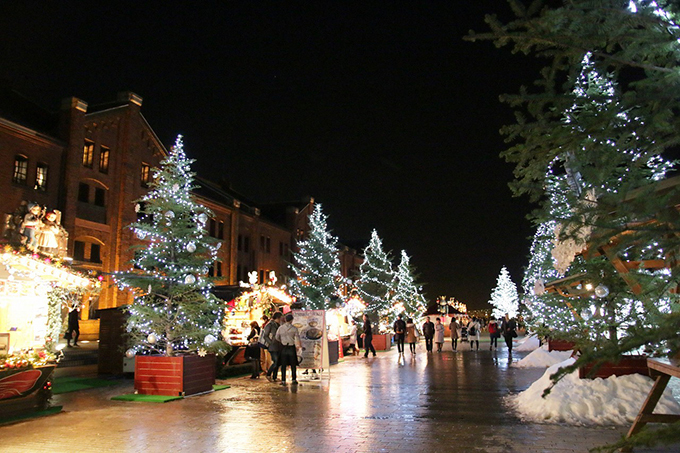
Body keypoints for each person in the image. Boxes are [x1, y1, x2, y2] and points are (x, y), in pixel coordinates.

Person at [274, 313, 301, 385]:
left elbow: (277, 337)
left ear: (285, 320)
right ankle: (294, 379)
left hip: (283, 347)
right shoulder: (294, 328)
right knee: (293, 364)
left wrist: (282, 341)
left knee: (283, 364)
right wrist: (298, 346)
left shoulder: (280, 328)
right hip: (291, 347)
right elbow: (297, 338)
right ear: (291, 320)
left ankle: (283, 380)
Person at [263, 312, 283, 381]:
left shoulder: (278, 325)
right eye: (280, 318)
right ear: (277, 318)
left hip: (278, 345)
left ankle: (274, 377)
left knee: (278, 362)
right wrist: (270, 343)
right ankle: (268, 374)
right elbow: (265, 335)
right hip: (272, 346)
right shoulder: (270, 325)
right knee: (275, 361)